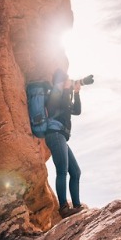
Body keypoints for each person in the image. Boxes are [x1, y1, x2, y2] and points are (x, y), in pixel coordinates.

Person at [45, 69, 87, 218]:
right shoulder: (54, 95)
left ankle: (77, 206)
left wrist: (76, 92)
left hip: (61, 136)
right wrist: (67, 87)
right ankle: (63, 208)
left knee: (75, 172)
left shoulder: (64, 95)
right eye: (67, 80)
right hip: (54, 134)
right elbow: (62, 104)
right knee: (62, 170)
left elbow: (76, 110)